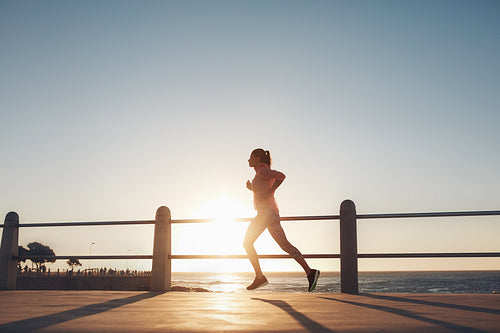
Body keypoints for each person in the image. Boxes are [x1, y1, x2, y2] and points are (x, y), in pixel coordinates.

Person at [244, 148, 320, 291]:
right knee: (285, 245)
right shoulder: (262, 172)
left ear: (258, 159)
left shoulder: (261, 170)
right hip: (271, 214)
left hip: (265, 214)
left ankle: (260, 277)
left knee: (247, 243)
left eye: (251, 157)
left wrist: (271, 190)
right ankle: (310, 273)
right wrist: (252, 189)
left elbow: (281, 176)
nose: (248, 160)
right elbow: (262, 192)